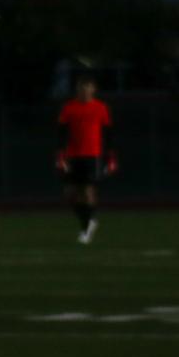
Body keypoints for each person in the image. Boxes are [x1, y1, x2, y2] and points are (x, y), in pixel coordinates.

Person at [56, 74, 117, 245]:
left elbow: (108, 133)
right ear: (77, 89)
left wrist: (111, 157)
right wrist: (60, 155)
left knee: (88, 192)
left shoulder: (100, 108)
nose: (84, 90)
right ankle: (90, 221)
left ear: (93, 89)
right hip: (73, 156)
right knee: (69, 194)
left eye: (87, 87)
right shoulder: (69, 107)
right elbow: (61, 132)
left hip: (93, 155)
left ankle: (86, 230)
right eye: (81, 87)